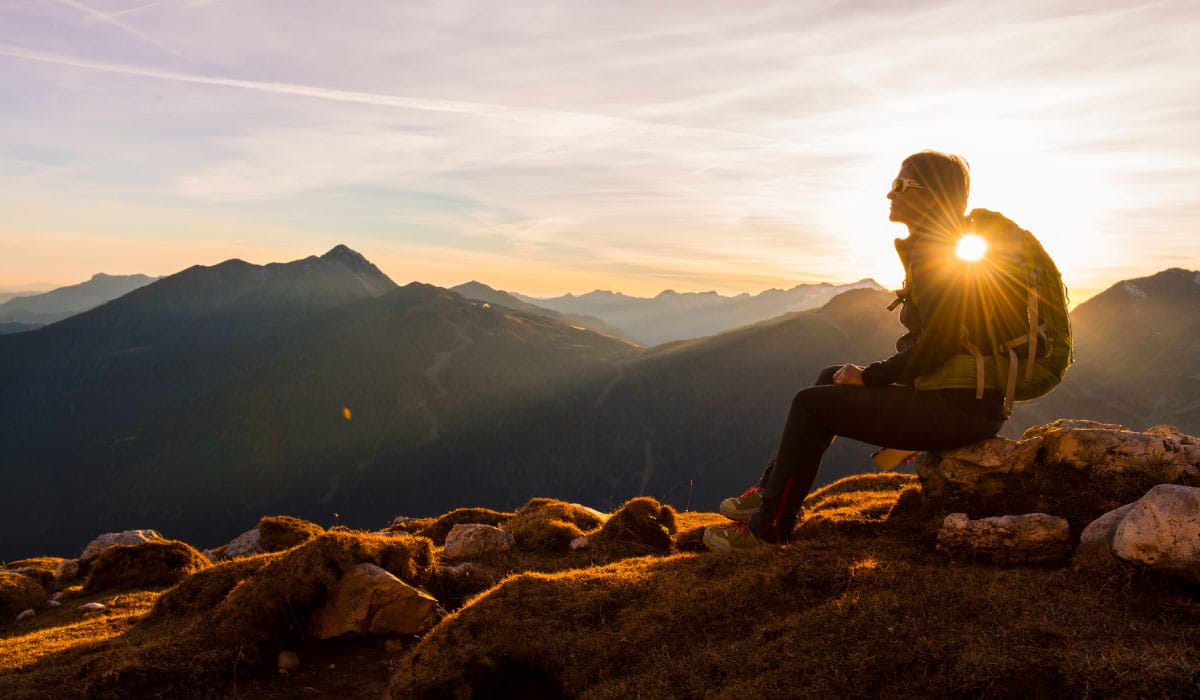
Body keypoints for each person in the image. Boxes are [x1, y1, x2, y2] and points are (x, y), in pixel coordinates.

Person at [704, 150, 1014, 552]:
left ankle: (768, 531)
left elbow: (940, 343)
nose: (890, 193)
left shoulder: (942, 255)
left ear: (932, 195)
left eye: (902, 185)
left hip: (960, 410)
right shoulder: (944, 247)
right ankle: (769, 494)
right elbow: (945, 343)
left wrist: (872, 376)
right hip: (964, 401)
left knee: (810, 405)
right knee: (829, 375)